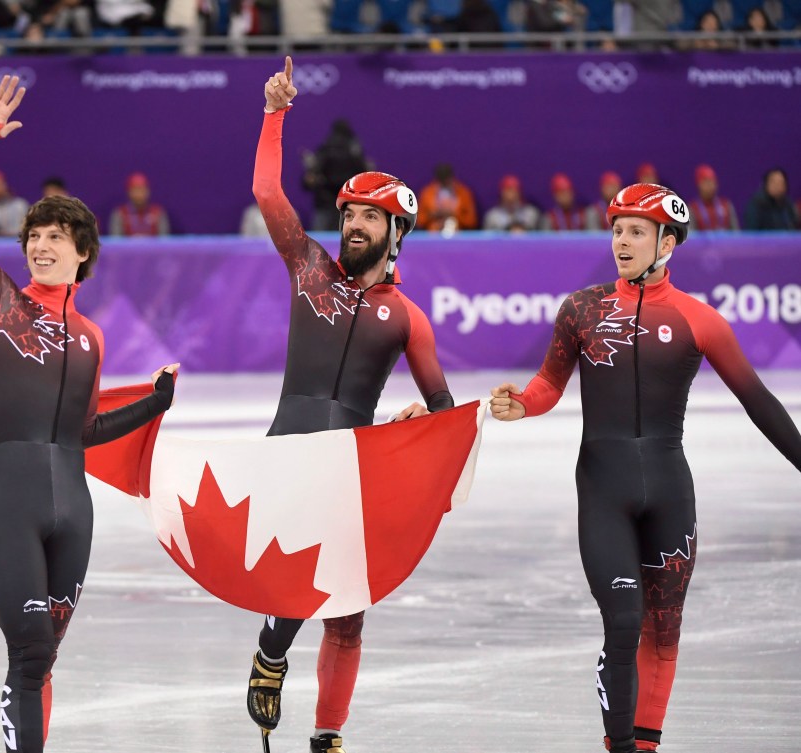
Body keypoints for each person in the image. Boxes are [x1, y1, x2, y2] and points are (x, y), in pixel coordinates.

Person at [489, 182, 801, 753]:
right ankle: (621, 748)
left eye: (636, 231)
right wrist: (523, 404)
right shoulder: (581, 309)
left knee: (663, 633)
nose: (622, 241)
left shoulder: (699, 319)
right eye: (616, 229)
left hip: (668, 490)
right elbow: (548, 383)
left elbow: (758, 401)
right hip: (603, 489)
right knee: (625, 620)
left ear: (667, 243)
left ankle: (646, 745)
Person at [0, 75, 178, 753]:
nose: (41, 245)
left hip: (73, 510)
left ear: (82, 253)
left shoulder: (93, 336)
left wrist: (151, 402)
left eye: (56, 237)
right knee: (30, 652)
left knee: (42, 657)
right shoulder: (2, 304)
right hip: (8, 502)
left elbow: (84, 433)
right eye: (35, 235)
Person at [246, 57, 454, 753]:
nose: (357, 225)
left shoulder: (408, 318)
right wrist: (275, 113)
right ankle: (273, 648)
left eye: (373, 217)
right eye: (353, 214)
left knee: (351, 609)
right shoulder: (310, 271)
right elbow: (266, 189)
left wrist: (418, 422)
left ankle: (328, 734)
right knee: (306, 576)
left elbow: (443, 407)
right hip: (291, 447)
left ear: (398, 233)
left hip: (350, 463)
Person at [301, 119, 373, 231]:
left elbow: (310, 179)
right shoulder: (354, 152)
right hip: (346, 204)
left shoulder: (326, 149)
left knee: (319, 242)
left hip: (329, 202)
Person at [418, 162, 477, 233]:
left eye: (446, 179)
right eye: (442, 180)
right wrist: (434, 215)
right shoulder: (427, 193)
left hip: (457, 233)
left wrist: (454, 214)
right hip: (433, 233)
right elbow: (420, 221)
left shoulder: (463, 193)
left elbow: (471, 221)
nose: (444, 183)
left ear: (451, 177)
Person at [107, 172, 170, 236]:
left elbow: (164, 241)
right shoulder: (120, 213)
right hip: (128, 246)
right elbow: (115, 242)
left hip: (153, 246)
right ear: (129, 192)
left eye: (142, 190)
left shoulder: (158, 213)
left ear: (148, 191)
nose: (139, 194)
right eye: (135, 190)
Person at [688, 164, 739, 231]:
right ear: (699, 185)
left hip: (725, 241)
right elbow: (691, 237)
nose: (710, 186)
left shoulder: (726, 205)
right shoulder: (692, 209)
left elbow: (736, 235)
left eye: (712, 182)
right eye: (706, 182)